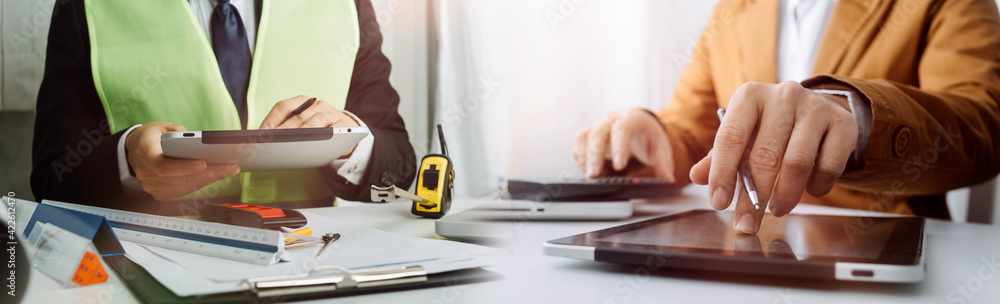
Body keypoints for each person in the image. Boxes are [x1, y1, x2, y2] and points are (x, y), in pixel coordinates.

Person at [574, 0, 1000, 234]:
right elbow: (696, 125)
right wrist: (658, 137)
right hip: (740, 248)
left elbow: (984, 123)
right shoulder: (734, 10)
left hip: (882, 245)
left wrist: (853, 116)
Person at [31, 0, 416, 215]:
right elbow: (52, 182)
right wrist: (128, 160)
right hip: (150, 266)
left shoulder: (345, 6)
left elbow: (398, 168)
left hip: (311, 265)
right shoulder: (86, 7)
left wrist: (349, 143)